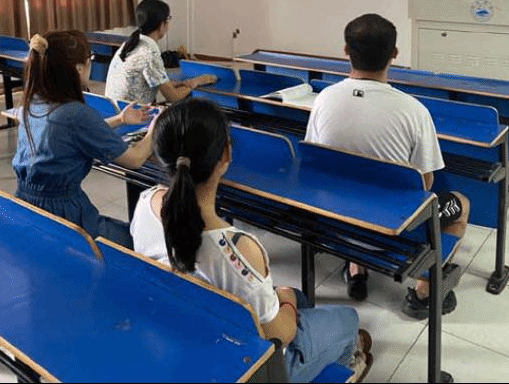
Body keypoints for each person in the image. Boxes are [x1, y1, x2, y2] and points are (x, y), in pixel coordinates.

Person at [131, 99, 374, 383]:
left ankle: (315, 336)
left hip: (189, 335)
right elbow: (280, 334)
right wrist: (286, 303)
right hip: (253, 368)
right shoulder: (237, 249)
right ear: (226, 154)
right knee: (348, 319)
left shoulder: (145, 202)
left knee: (299, 297)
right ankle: (347, 362)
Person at [305, 14, 469, 319]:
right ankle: (423, 293)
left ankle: (356, 268)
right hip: (393, 231)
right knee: (460, 204)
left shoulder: (324, 99)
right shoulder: (414, 111)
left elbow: (314, 160)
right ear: (394, 54)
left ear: (346, 51)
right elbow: (425, 184)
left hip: (335, 222)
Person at [13, 30, 156, 249]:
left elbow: (70, 133)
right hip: (64, 217)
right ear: (79, 68)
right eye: (90, 59)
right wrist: (157, 126)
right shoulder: (75, 113)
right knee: (141, 242)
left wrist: (119, 119)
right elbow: (135, 159)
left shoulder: (34, 102)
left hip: (25, 210)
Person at [105, 0, 216, 104]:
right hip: (130, 114)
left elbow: (139, 80)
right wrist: (196, 82)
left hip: (112, 110)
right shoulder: (150, 54)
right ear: (161, 25)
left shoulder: (129, 44)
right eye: (168, 20)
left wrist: (171, 84)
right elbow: (173, 97)